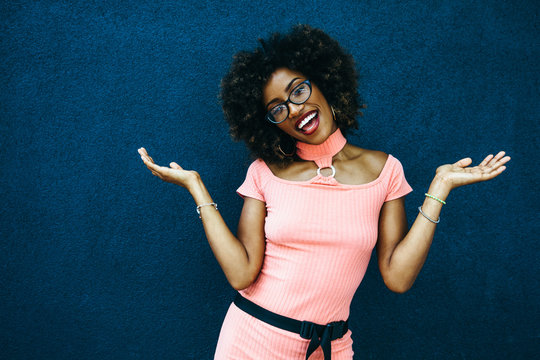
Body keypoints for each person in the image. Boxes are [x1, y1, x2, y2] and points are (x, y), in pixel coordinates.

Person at [138, 25, 510, 360]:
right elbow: (241, 274)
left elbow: (397, 278)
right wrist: (196, 187)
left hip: (331, 349)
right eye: (278, 109)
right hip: (251, 340)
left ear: (324, 82)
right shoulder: (263, 173)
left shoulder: (386, 171)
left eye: (299, 90)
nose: (295, 109)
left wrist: (439, 188)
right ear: (271, 126)